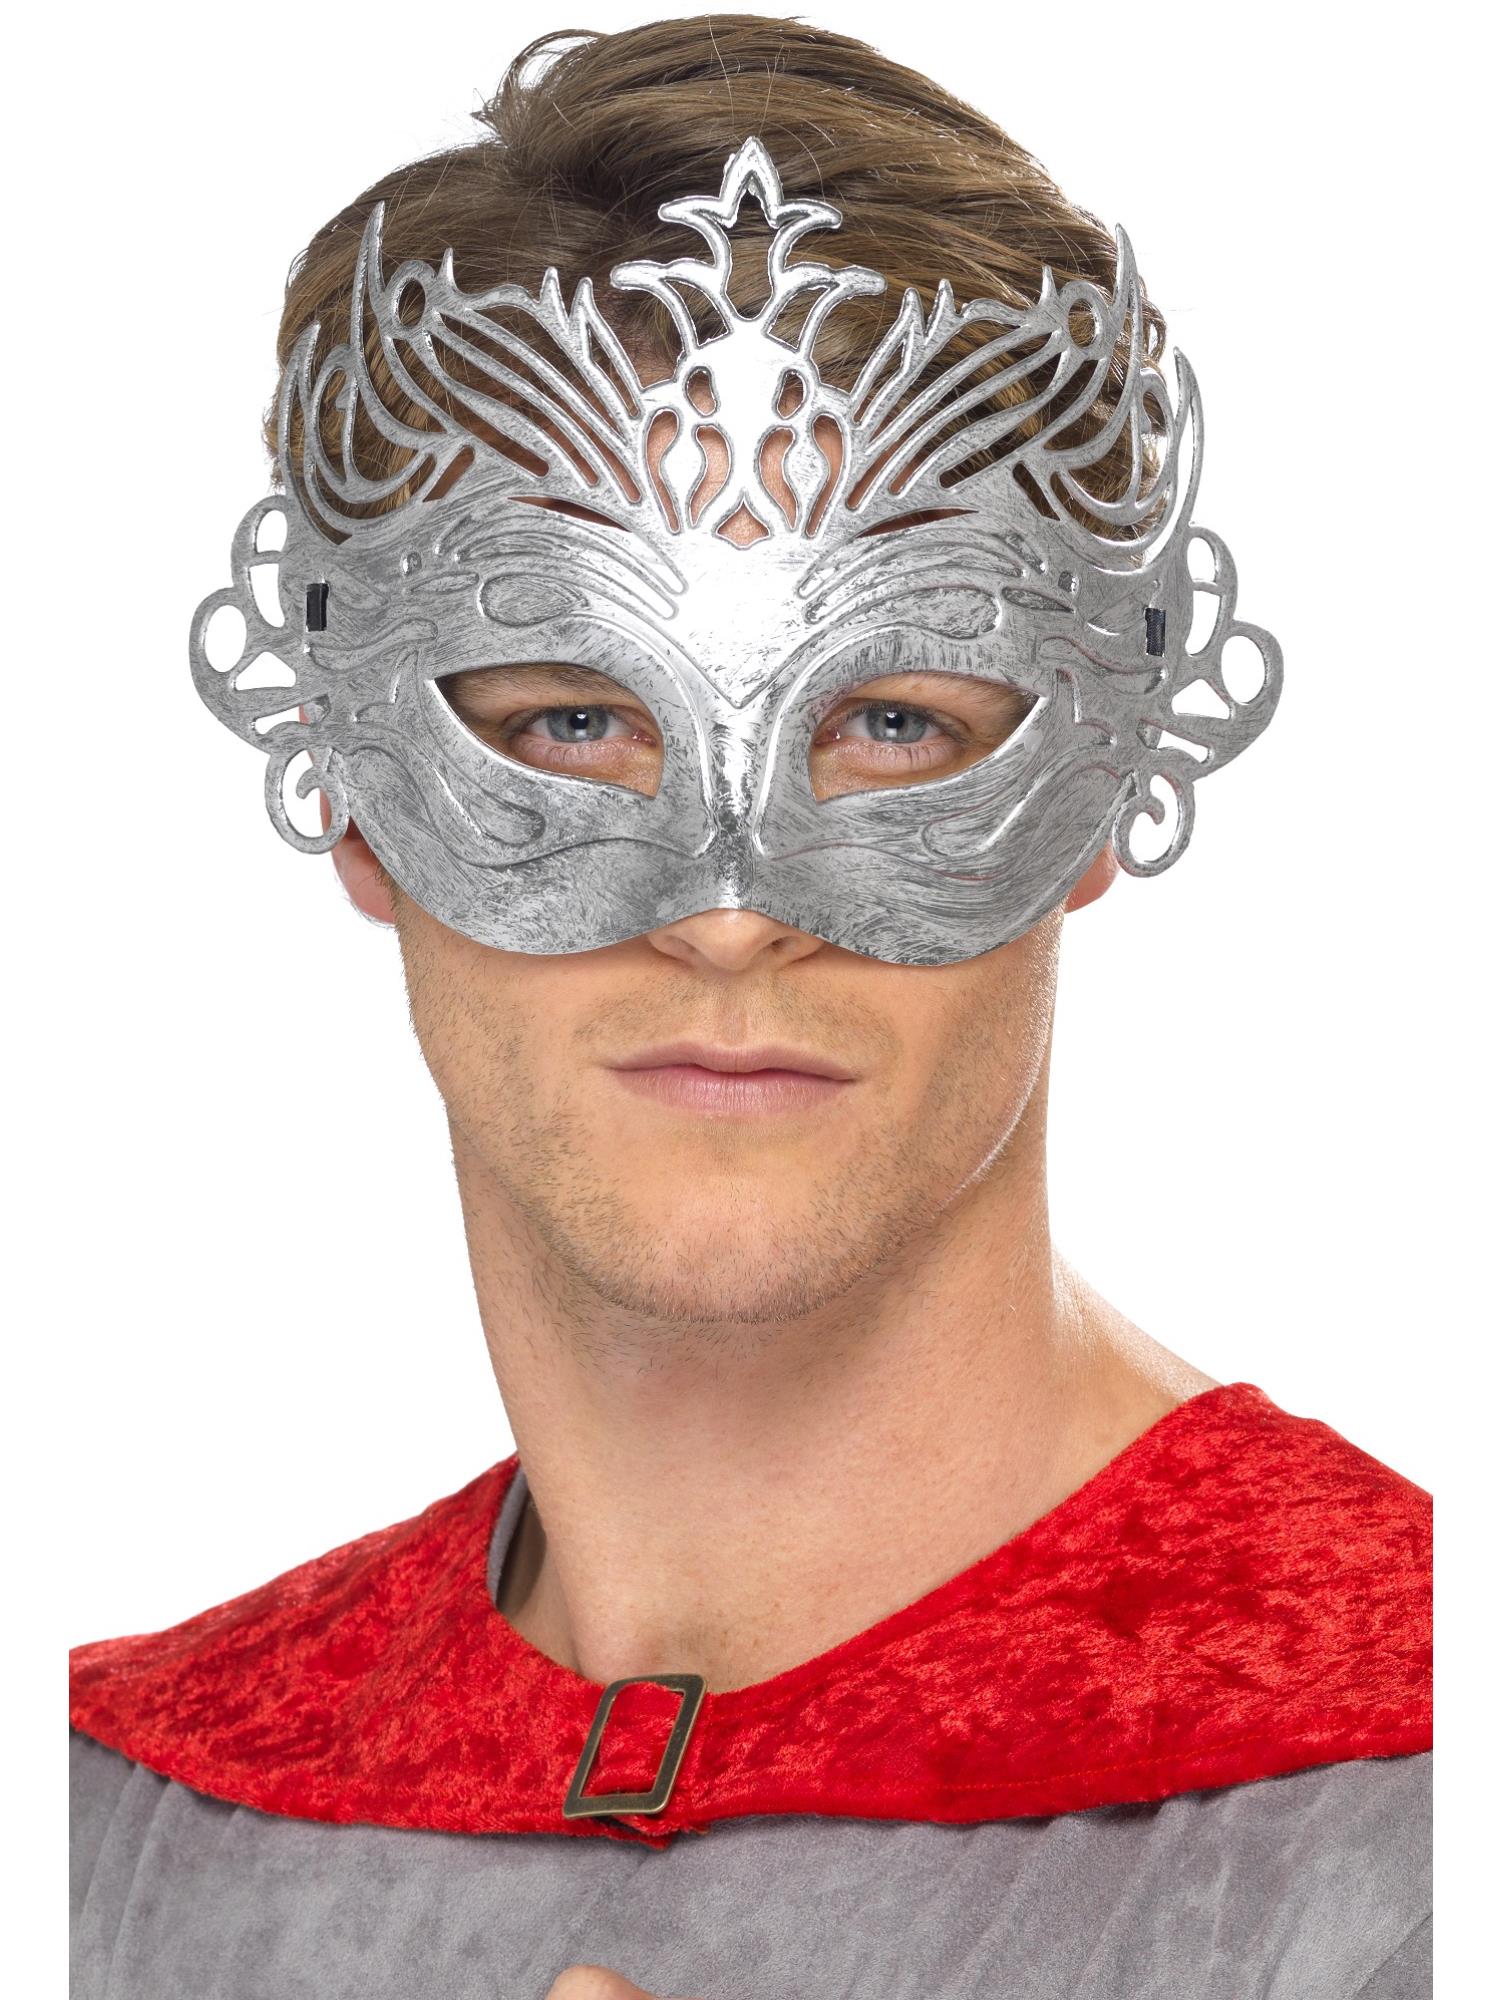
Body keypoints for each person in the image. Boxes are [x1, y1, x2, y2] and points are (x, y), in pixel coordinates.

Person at [68, 15, 1431, 1999]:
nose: (727, 913)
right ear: (350, 776)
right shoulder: (120, 1827)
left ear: (1106, 772)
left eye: (894, 723)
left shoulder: (1415, 1781)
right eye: (567, 719)